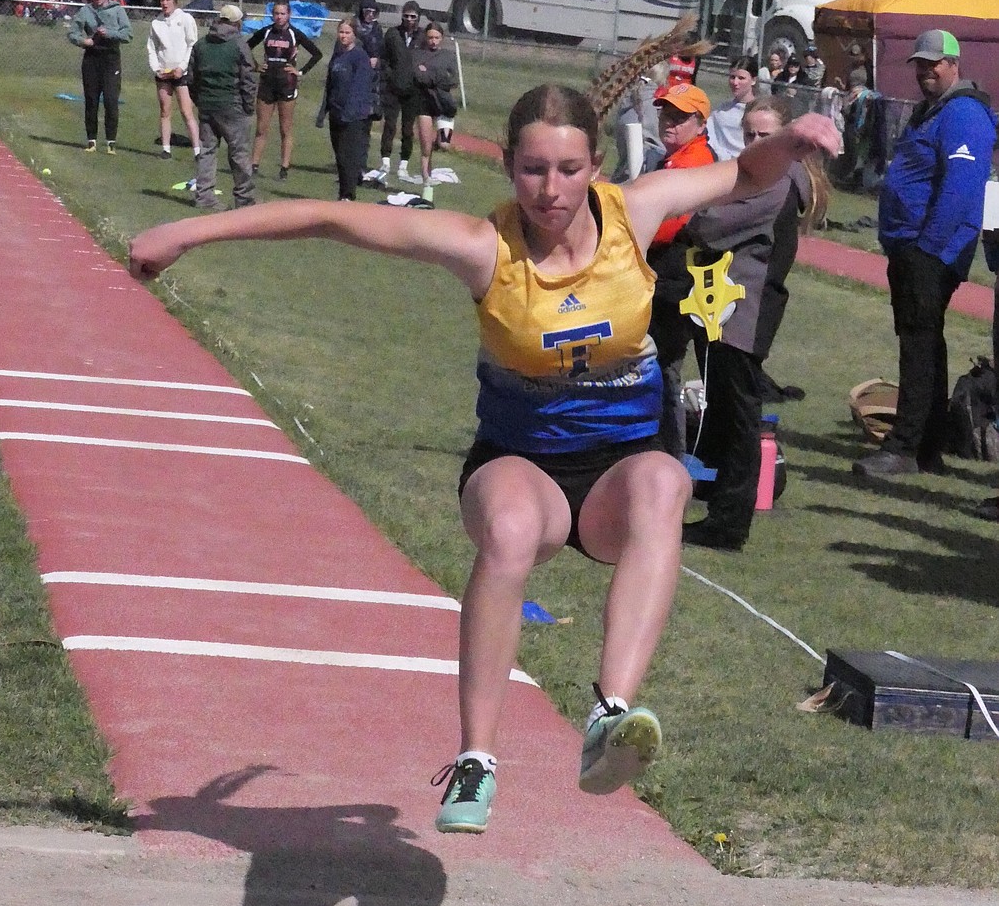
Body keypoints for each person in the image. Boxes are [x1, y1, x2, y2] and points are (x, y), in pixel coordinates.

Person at [127, 83, 839, 834]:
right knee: (506, 531)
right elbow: (328, 219)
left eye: (568, 169)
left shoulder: (639, 210)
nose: (550, 190)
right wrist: (189, 232)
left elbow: (747, 174)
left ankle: (611, 715)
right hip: (521, 465)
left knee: (665, 478)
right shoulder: (482, 246)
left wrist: (790, 141)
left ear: (596, 165)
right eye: (533, 170)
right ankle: (476, 760)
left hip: (616, 478)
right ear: (508, 166)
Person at [682, 97, 828, 549]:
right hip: (728, 303)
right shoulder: (770, 175)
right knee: (727, 407)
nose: (756, 144)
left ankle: (729, 520)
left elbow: (712, 225)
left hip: (745, 308)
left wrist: (686, 206)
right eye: (749, 136)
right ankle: (722, 500)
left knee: (740, 413)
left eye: (766, 136)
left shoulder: (781, 179)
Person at [854, 29, 997, 479]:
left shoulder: (963, 114)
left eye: (934, 62)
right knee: (923, 346)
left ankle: (905, 447)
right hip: (914, 247)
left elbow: (961, 187)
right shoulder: (932, 111)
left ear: (955, 64)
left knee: (918, 349)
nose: (925, 70)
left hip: (929, 250)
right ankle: (926, 447)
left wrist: (927, 248)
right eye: (920, 62)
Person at [646, 82, 716, 455]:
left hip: (678, 286)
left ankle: (668, 457)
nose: (669, 122)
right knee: (657, 369)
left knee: (663, 372)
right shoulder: (674, 160)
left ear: (700, 123)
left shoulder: (695, 163)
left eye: (679, 116)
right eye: (665, 113)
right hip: (667, 281)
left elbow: (664, 226)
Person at [188, 2, 257, 213]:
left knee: (207, 151)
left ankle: (204, 196)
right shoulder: (238, 44)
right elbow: (248, 78)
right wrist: (248, 105)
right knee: (239, 153)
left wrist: (200, 100)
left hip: (207, 105)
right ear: (237, 23)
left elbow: (191, 78)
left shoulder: (201, 44)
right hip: (232, 105)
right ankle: (244, 199)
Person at [247, 0, 323, 181]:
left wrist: (300, 72)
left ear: (289, 15)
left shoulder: (295, 34)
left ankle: (284, 168)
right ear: (272, 15)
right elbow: (245, 47)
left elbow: (316, 54)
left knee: (285, 128)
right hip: (267, 83)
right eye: (276, 13)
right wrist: (256, 66)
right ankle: (253, 166)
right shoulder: (266, 32)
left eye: (283, 13)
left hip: (286, 84)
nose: (279, 17)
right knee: (261, 128)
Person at [67, 0, 132, 155]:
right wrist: (83, 41)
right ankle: (91, 141)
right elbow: (72, 33)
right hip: (92, 59)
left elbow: (128, 34)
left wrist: (110, 33)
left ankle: (111, 142)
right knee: (91, 100)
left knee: (111, 100)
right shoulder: (85, 11)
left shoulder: (117, 10)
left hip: (111, 58)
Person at [323, 16, 375, 200]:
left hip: (353, 116)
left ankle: (348, 195)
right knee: (339, 157)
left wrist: (349, 113)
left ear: (354, 34)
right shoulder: (338, 55)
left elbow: (359, 88)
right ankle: (342, 194)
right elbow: (330, 83)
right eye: (341, 32)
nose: (343, 36)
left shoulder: (360, 57)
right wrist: (324, 110)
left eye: (347, 32)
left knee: (348, 157)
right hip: (336, 113)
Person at [146, 0, 200, 160]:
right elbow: (151, 48)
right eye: (162, 1)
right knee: (165, 111)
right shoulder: (156, 23)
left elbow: (192, 44)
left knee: (186, 111)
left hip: (180, 73)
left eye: (167, 0)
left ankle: (198, 150)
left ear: (174, 1)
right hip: (163, 72)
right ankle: (166, 149)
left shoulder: (185, 19)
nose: (164, 4)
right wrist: (156, 69)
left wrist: (182, 68)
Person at [410, 20, 458, 203]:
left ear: (442, 39)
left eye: (437, 38)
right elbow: (417, 76)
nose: (433, 41)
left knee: (445, 146)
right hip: (424, 104)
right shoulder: (417, 54)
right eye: (430, 37)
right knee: (425, 148)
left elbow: (452, 80)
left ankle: (439, 140)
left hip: (444, 105)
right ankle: (426, 182)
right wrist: (436, 77)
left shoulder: (448, 56)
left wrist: (430, 75)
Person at [379, 0, 424, 184]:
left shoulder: (422, 37)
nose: (409, 19)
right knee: (390, 125)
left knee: (407, 129)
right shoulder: (392, 34)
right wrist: (390, 75)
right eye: (406, 16)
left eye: (413, 16)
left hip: (413, 90)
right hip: (393, 88)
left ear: (418, 18)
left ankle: (403, 164)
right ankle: (385, 162)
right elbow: (384, 58)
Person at [353, 0, 385, 170]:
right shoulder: (352, 27)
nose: (370, 15)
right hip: (353, 81)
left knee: (366, 127)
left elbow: (383, 56)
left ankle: (362, 165)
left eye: (373, 12)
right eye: (367, 11)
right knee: (351, 127)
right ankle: (348, 164)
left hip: (371, 85)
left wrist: (377, 61)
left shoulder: (377, 30)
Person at [707, 55, 759, 160]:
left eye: (741, 78)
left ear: (753, 80)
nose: (735, 82)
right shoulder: (721, 110)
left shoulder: (760, 111)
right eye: (732, 77)